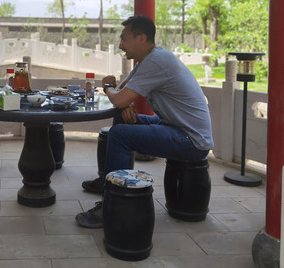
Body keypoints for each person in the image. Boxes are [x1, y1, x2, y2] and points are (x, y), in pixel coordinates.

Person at [76, 15, 213, 228]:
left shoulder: (158, 60)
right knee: (122, 117)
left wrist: (108, 88)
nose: (121, 45)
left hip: (190, 139)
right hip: (173, 126)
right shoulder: (147, 61)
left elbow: (118, 95)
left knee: (119, 135)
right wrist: (123, 101)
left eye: (124, 39)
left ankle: (113, 203)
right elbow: (123, 95)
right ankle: (109, 181)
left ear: (141, 38)